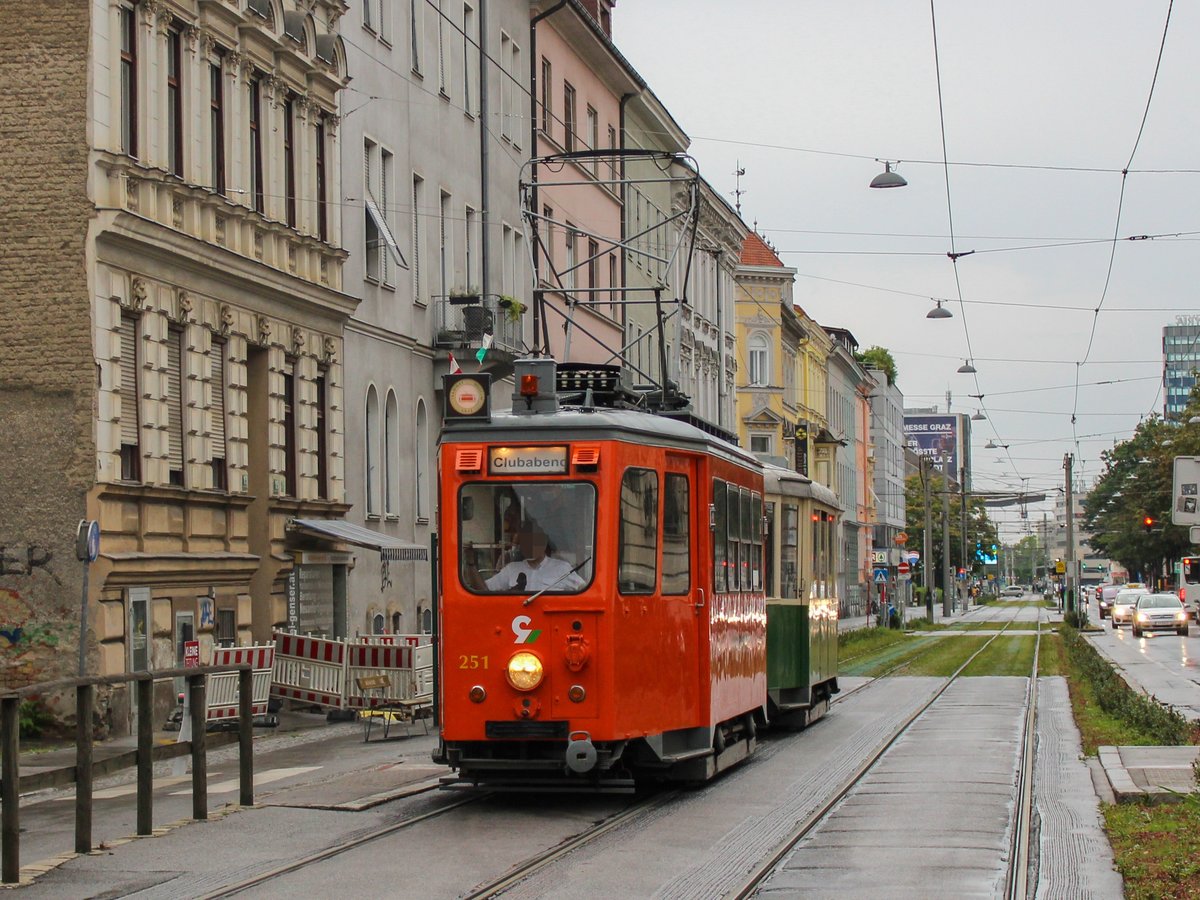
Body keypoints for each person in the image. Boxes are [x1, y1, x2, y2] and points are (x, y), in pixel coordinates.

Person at [468, 527, 584, 593]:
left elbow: (584, 590)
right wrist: (470, 564)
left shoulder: (562, 568)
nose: (530, 546)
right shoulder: (512, 569)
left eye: (534, 541)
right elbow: (483, 590)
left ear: (543, 543)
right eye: (526, 542)